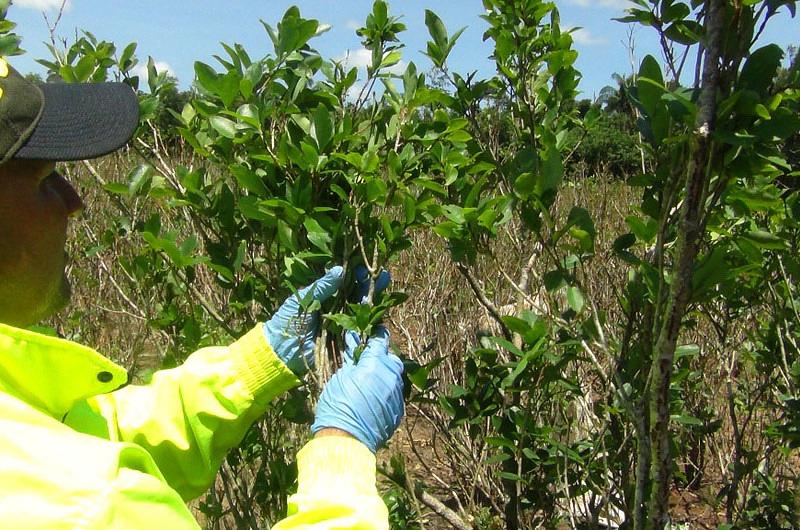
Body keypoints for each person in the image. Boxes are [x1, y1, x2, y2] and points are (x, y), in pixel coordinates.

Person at [0, 56, 405, 529]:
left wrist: (256, 363)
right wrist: (343, 445)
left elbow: (79, 432)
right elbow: (77, 474)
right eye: (45, 179)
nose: (74, 202)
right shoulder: (88, 507)